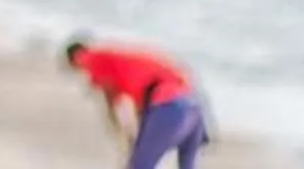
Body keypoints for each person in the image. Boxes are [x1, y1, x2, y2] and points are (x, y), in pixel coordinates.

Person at [64, 38, 210, 167]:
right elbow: (142, 102)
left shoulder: (92, 57)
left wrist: (117, 126)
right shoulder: (125, 57)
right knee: (187, 163)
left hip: (169, 106)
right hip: (194, 105)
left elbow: (111, 94)